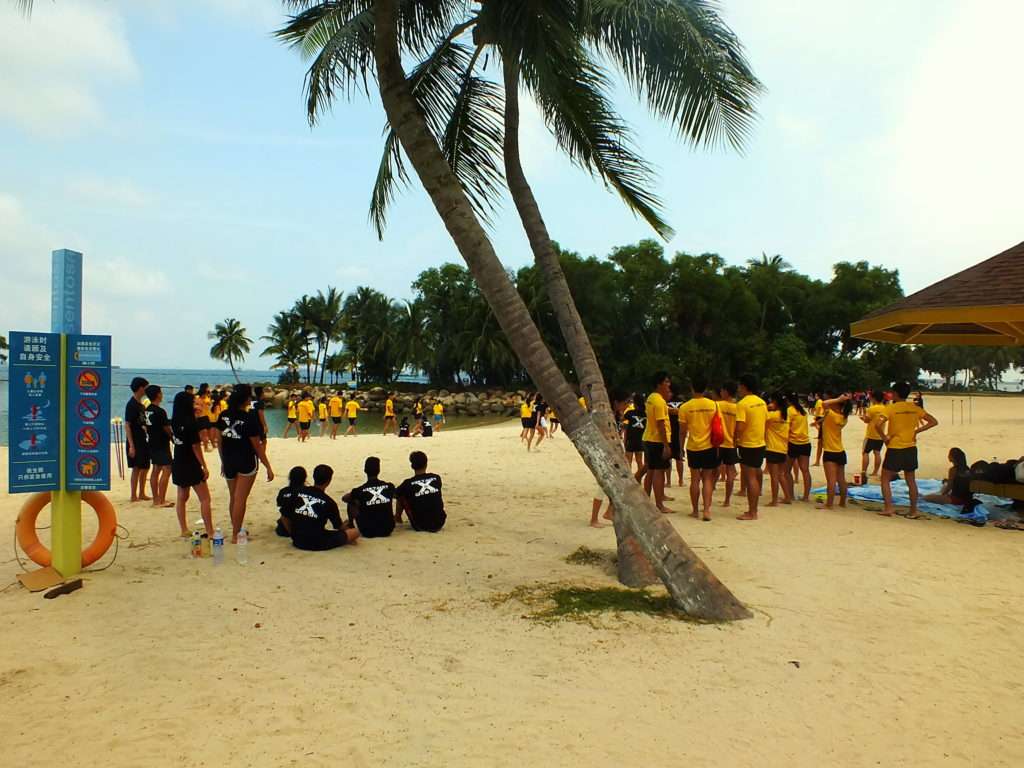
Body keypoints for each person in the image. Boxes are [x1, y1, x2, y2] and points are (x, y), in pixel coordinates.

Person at [215, 384, 274, 542]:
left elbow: (219, 441)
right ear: (246, 398)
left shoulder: (223, 415)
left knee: (233, 497)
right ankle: (236, 534)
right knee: (240, 498)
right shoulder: (249, 418)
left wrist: (222, 461)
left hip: (228, 460)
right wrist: (268, 466)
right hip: (246, 461)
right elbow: (257, 446)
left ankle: (237, 529)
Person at [879, 381, 939, 519]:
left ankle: (888, 508)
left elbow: (878, 424)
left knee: (885, 478)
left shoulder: (891, 408)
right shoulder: (914, 408)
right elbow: (933, 421)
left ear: (895, 393)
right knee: (911, 480)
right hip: (911, 446)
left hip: (895, 447)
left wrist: (885, 438)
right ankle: (913, 510)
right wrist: (917, 431)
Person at [677, 376, 720, 521]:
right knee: (707, 478)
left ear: (692, 388)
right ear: (706, 388)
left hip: (693, 446)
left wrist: (681, 447)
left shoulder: (685, 407)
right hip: (709, 446)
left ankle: (695, 510)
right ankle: (707, 510)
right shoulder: (714, 405)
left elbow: (682, 431)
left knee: (695, 479)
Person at [170, 390, 212, 538]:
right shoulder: (190, 423)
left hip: (178, 460)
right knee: (205, 498)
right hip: (191, 462)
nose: (196, 404)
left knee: (182, 496)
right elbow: (196, 446)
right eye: (193, 402)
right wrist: (204, 465)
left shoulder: (174, 421)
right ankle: (210, 531)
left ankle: (183, 529)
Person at [288, 464, 360, 551]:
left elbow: (285, 515)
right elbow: (338, 526)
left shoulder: (297, 492)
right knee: (355, 532)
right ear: (328, 481)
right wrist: (346, 525)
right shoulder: (329, 502)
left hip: (297, 539)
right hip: (317, 542)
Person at [733, 374, 767, 521]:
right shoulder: (762, 402)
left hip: (748, 444)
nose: (738, 389)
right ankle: (754, 510)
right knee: (756, 473)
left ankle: (752, 512)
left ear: (744, 386)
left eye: (740, 386)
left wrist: (735, 440)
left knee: (750, 478)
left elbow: (740, 426)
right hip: (760, 443)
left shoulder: (742, 404)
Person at [642, 371, 674, 513]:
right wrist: (666, 445)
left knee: (650, 470)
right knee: (659, 472)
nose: (669, 385)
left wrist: (680, 411)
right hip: (657, 440)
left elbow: (666, 411)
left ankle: (646, 501)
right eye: (666, 382)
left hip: (648, 438)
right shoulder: (660, 401)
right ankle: (660, 505)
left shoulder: (651, 398)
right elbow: (661, 424)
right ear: (659, 384)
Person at [343, 456, 397, 538]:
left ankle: (351, 524)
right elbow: (397, 495)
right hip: (388, 529)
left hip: (367, 530)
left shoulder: (359, 490)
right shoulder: (389, 486)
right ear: (379, 470)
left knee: (352, 501)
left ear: (365, 470)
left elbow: (344, 498)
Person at [396, 451, 447, 532]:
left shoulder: (407, 483)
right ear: (426, 464)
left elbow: (395, 494)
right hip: (440, 522)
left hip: (419, 524)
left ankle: (397, 517)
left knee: (401, 494)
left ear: (412, 466)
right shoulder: (436, 478)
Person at [818, 392, 852, 509]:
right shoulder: (843, 417)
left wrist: (838, 399)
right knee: (841, 479)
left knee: (831, 481)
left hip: (830, 451)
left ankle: (829, 504)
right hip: (840, 451)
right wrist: (840, 400)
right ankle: (843, 502)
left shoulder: (831, 415)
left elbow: (824, 403)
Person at [144, 384, 174, 508]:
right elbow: (166, 428)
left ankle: (156, 499)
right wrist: (173, 437)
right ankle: (161, 500)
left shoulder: (147, 410)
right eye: (160, 392)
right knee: (167, 469)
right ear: (157, 394)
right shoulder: (160, 411)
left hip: (152, 441)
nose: (162, 394)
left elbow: (145, 426)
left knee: (156, 469)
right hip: (161, 443)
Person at [125, 376, 151, 502]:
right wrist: (131, 445)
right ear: (141, 388)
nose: (147, 389)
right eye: (146, 387)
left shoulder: (141, 404)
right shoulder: (131, 405)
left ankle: (142, 492)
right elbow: (127, 425)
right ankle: (133, 495)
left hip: (143, 439)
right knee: (136, 467)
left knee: (145, 466)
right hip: (134, 440)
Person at [764, 393, 793, 507]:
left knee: (774, 477)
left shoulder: (773, 415)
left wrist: (768, 406)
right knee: (781, 475)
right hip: (783, 448)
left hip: (772, 448)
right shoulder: (786, 416)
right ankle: (787, 497)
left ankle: (774, 500)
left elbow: (762, 413)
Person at [785, 393, 812, 501]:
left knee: (786, 471)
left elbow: (787, 428)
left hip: (793, 443)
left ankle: (790, 495)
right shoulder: (803, 411)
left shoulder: (789, 411)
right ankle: (806, 496)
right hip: (805, 443)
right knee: (805, 470)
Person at [717, 382, 739, 507]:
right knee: (730, 473)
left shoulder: (717, 405)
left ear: (726, 391)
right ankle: (727, 501)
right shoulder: (737, 407)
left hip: (718, 443)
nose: (720, 393)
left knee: (713, 471)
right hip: (731, 443)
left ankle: (708, 494)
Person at [860, 389, 887, 478]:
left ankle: (864, 471)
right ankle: (875, 472)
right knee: (877, 453)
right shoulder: (885, 408)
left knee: (865, 453)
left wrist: (863, 418)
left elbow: (867, 420)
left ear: (873, 398)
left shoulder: (871, 409)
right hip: (880, 435)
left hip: (871, 434)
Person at [275, 466, 307, 537]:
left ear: (290, 478)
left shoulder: (283, 491)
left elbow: (279, 505)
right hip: (303, 526)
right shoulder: (309, 492)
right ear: (305, 479)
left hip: (284, 529)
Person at [622, 393, 647, 480]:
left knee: (628, 461)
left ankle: (629, 479)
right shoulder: (645, 414)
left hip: (631, 439)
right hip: (641, 440)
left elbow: (622, 419)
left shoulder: (630, 413)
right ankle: (639, 478)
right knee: (639, 461)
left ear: (634, 403)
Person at [666, 386, 685, 490]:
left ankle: (668, 481)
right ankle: (681, 480)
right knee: (679, 457)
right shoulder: (682, 402)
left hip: (669, 432)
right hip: (678, 432)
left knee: (669, 458)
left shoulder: (665, 402)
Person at [196, 383, 213, 451]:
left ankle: (206, 446)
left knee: (206, 433)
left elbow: (210, 405)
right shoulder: (198, 398)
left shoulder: (207, 397)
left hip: (206, 416)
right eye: (208, 387)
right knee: (203, 433)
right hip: (200, 417)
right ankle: (205, 447)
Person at [812, 393, 825, 467]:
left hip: (819, 416)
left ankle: (817, 461)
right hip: (819, 416)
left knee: (820, 443)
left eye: (816, 395)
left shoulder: (819, 401)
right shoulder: (818, 401)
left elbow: (819, 409)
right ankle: (817, 461)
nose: (815, 396)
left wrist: (816, 416)